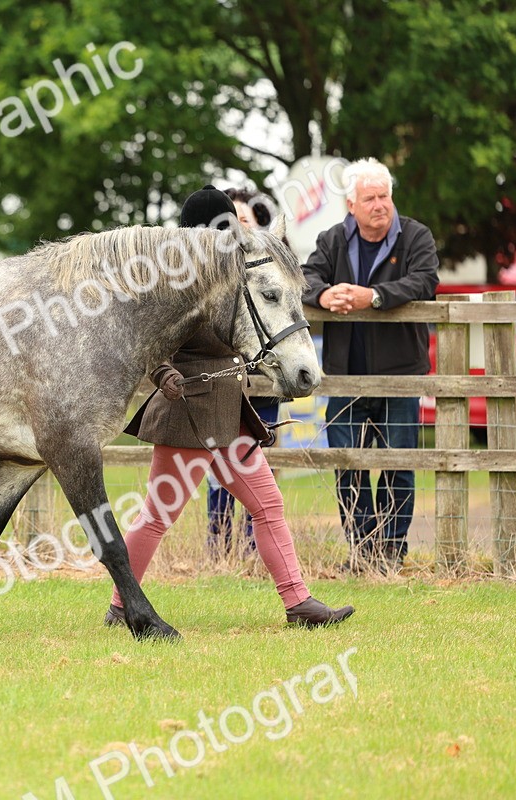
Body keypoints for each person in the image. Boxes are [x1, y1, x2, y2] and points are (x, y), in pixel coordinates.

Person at [105, 185, 354, 630]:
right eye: (228, 225)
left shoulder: (231, 275)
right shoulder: (174, 282)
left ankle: (298, 603)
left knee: (268, 504)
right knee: (158, 517)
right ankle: (121, 605)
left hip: (229, 414)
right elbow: (148, 343)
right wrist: (163, 374)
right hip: (189, 416)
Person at [302, 158, 439, 572]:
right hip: (345, 376)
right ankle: (362, 553)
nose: (379, 205)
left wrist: (373, 297)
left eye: (384, 196)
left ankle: (391, 554)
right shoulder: (332, 239)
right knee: (349, 466)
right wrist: (323, 296)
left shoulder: (416, 236)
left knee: (399, 465)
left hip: (400, 374)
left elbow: (425, 281)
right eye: (370, 198)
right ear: (351, 205)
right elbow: (305, 278)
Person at [204, 187, 286, 558]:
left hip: (262, 388)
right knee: (218, 470)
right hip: (220, 388)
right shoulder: (209, 273)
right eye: (230, 222)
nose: (238, 228)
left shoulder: (269, 267)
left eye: (244, 220)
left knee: (259, 468)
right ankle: (219, 546)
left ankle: (255, 549)